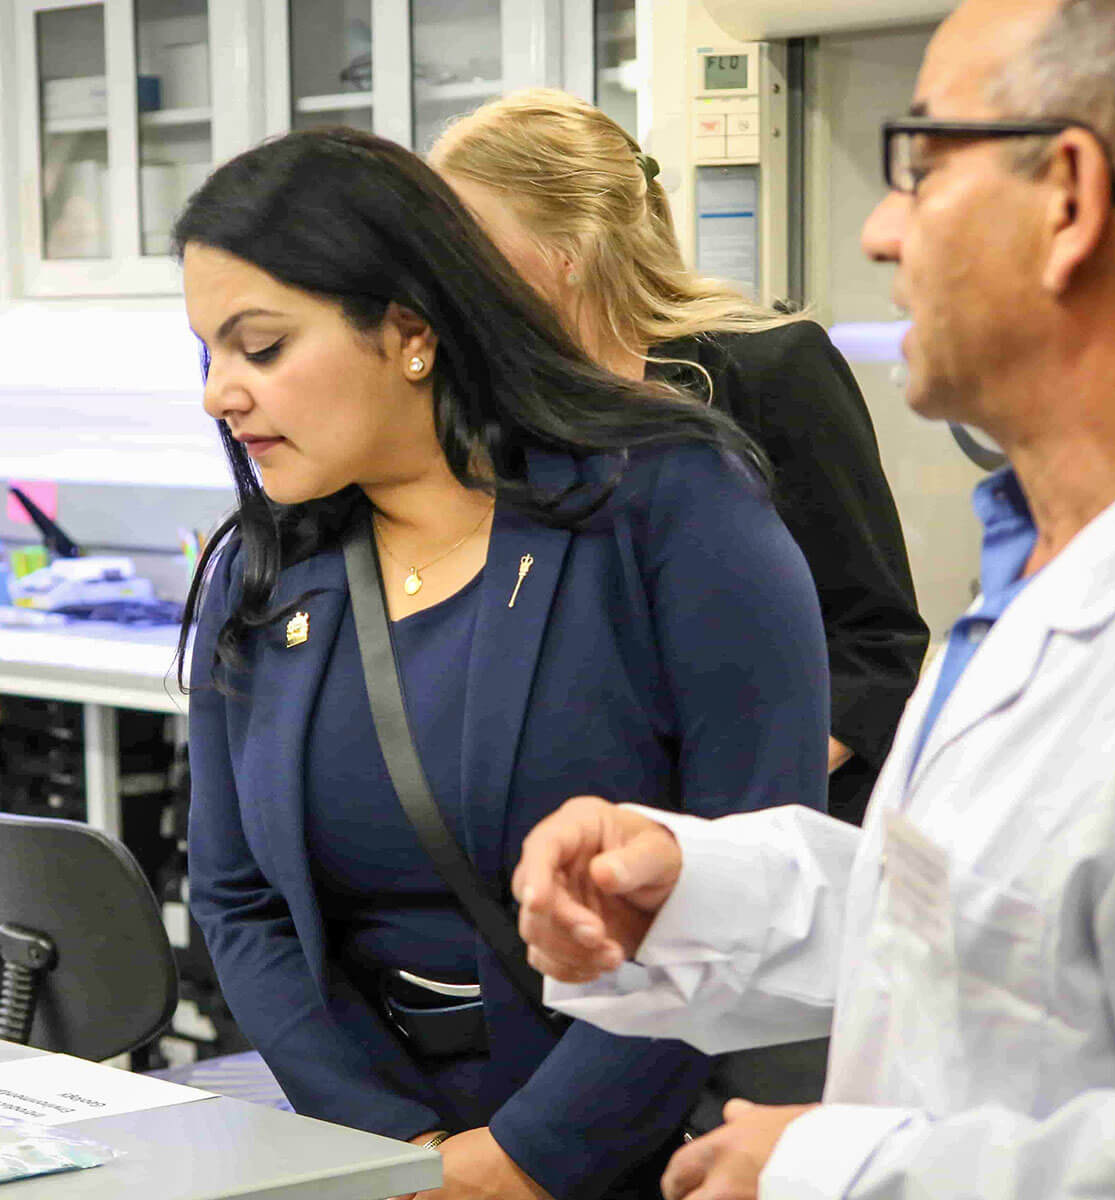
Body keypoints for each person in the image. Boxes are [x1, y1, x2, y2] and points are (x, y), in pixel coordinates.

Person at [509, 0, 1115, 1196]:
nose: (883, 229)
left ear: (1069, 200)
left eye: (921, 169)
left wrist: (833, 1167)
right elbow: (973, 936)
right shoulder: (1053, 559)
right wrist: (697, 889)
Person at [174, 127, 830, 1200]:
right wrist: (397, 1148)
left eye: (260, 348)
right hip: (382, 1156)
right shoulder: (265, 569)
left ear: (409, 330)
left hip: (655, 1145)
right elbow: (238, 901)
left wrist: (532, 1155)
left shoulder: (666, 504)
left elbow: (754, 863)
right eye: (208, 353)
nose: (219, 394)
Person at [431, 90, 928, 826]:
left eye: (465, 242)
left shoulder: (766, 371)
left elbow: (875, 647)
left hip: (760, 841)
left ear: (567, 251)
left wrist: (722, 803)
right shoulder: (493, 412)